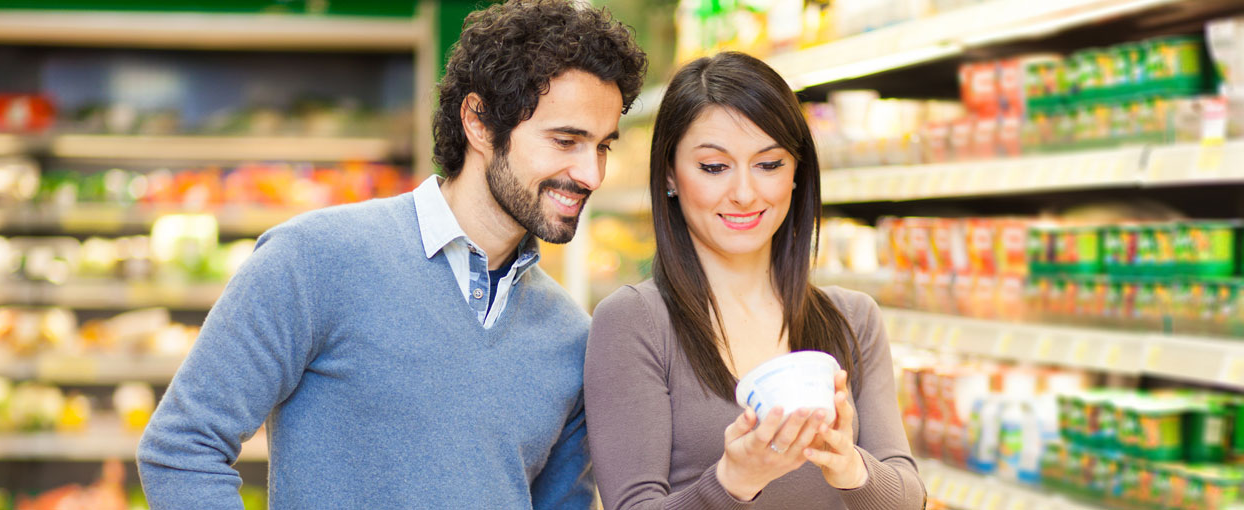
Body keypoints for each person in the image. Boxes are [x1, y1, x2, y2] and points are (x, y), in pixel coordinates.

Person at [137, 1, 647, 508]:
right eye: (566, 140)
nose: (592, 175)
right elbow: (182, 448)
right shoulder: (315, 260)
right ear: (479, 123)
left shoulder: (570, 335)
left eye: (603, 146)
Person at [584, 51, 925, 510]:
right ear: (669, 173)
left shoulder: (852, 318)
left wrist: (850, 467)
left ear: (798, 172)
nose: (745, 193)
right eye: (714, 167)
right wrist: (732, 480)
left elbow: (909, 498)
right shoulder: (634, 322)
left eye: (769, 164)